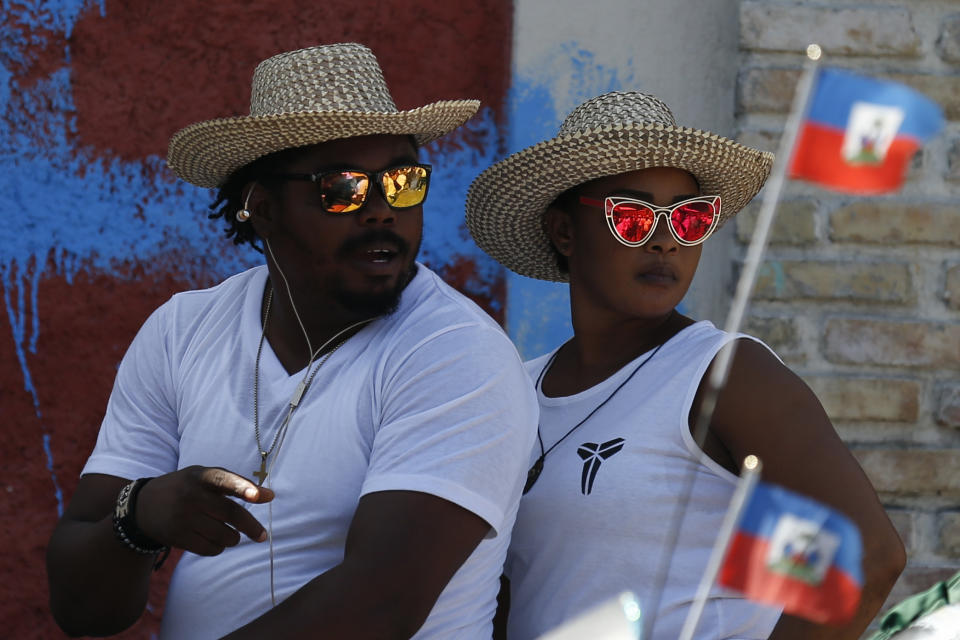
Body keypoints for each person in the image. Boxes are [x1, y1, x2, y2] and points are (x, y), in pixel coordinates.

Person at [46, 42, 538, 639]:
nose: (383, 210)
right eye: (342, 188)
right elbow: (83, 608)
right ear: (262, 205)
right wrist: (140, 516)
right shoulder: (183, 331)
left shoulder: (456, 351)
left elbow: (379, 606)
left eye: (403, 181)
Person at [465, 91, 906, 639]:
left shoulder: (723, 374)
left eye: (689, 219)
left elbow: (868, 555)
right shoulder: (518, 389)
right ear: (564, 232)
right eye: (632, 216)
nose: (666, 240)